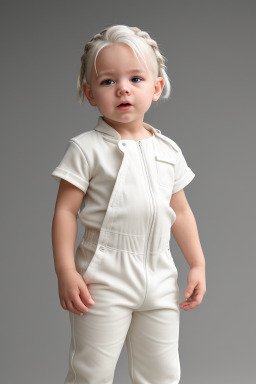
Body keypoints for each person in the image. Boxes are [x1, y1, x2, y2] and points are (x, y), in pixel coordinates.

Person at [51, 24, 206, 384]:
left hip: (159, 271)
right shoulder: (85, 148)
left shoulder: (168, 151)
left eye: (136, 78)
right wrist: (65, 270)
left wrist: (196, 263)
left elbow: (180, 211)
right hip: (103, 276)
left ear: (156, 87)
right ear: (90, 93)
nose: (122, 88)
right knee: (92, 372)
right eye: (107, 81)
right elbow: (65, 211)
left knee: (162, 373)